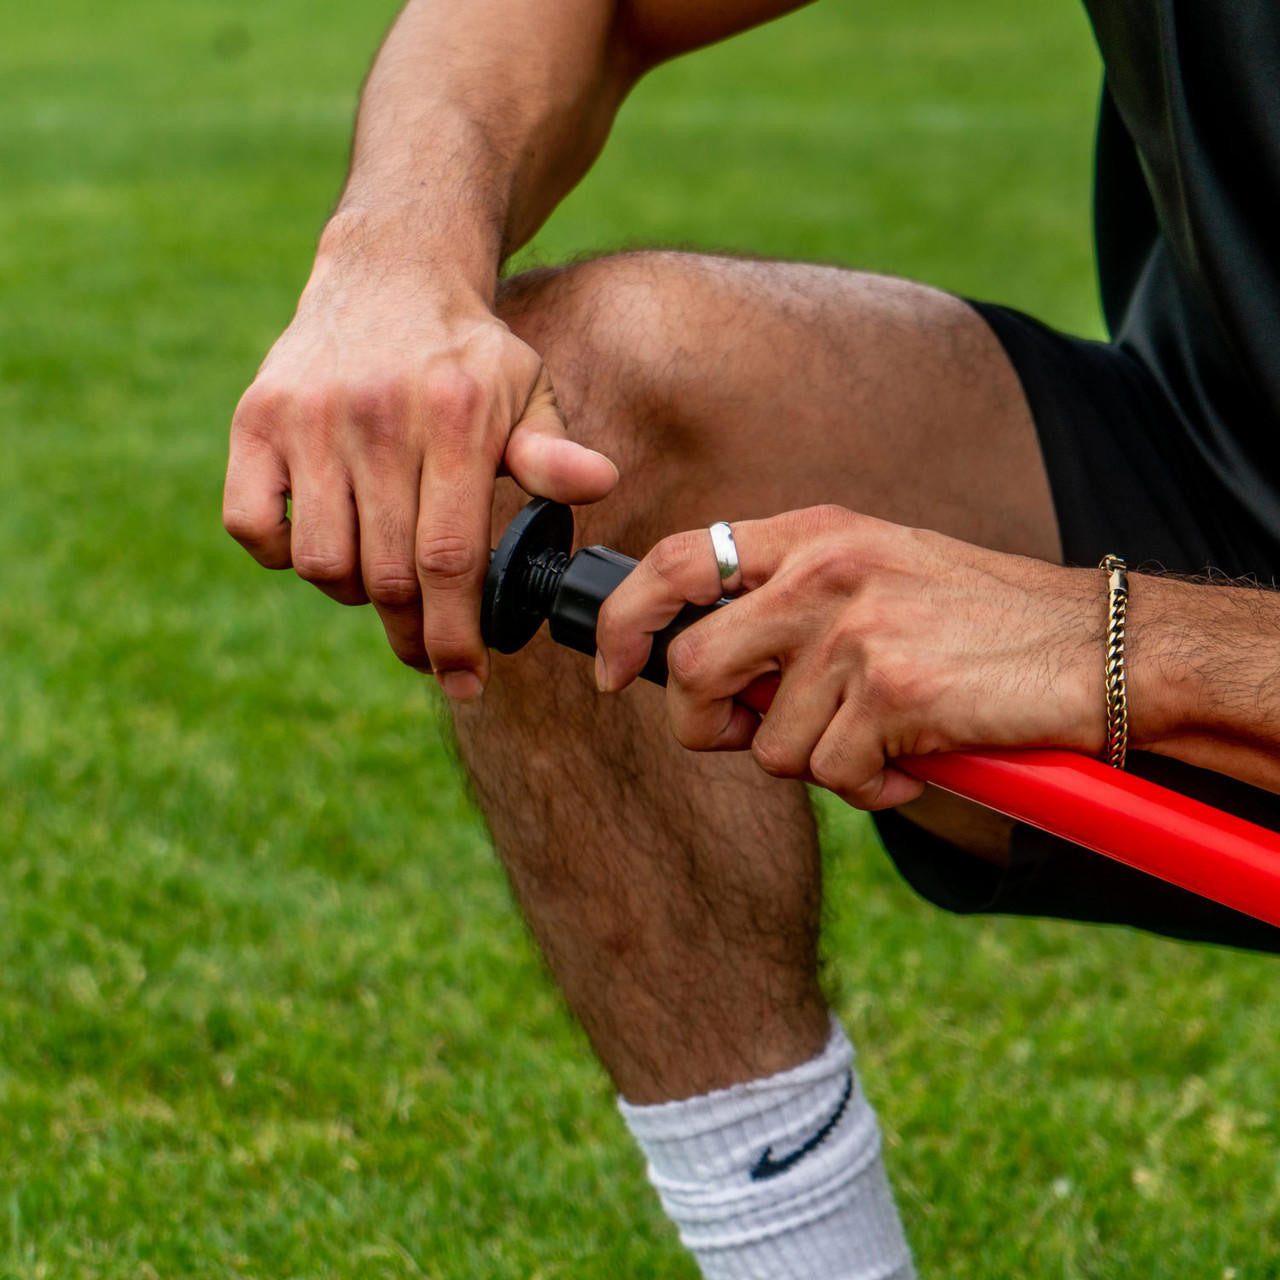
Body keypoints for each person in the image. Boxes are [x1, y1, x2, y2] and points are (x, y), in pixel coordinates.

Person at [221, 1, 1280, 1275]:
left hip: (1205, 639)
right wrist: (397, 250)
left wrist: (1119, 645)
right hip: (1222, 477)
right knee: (577, 420)